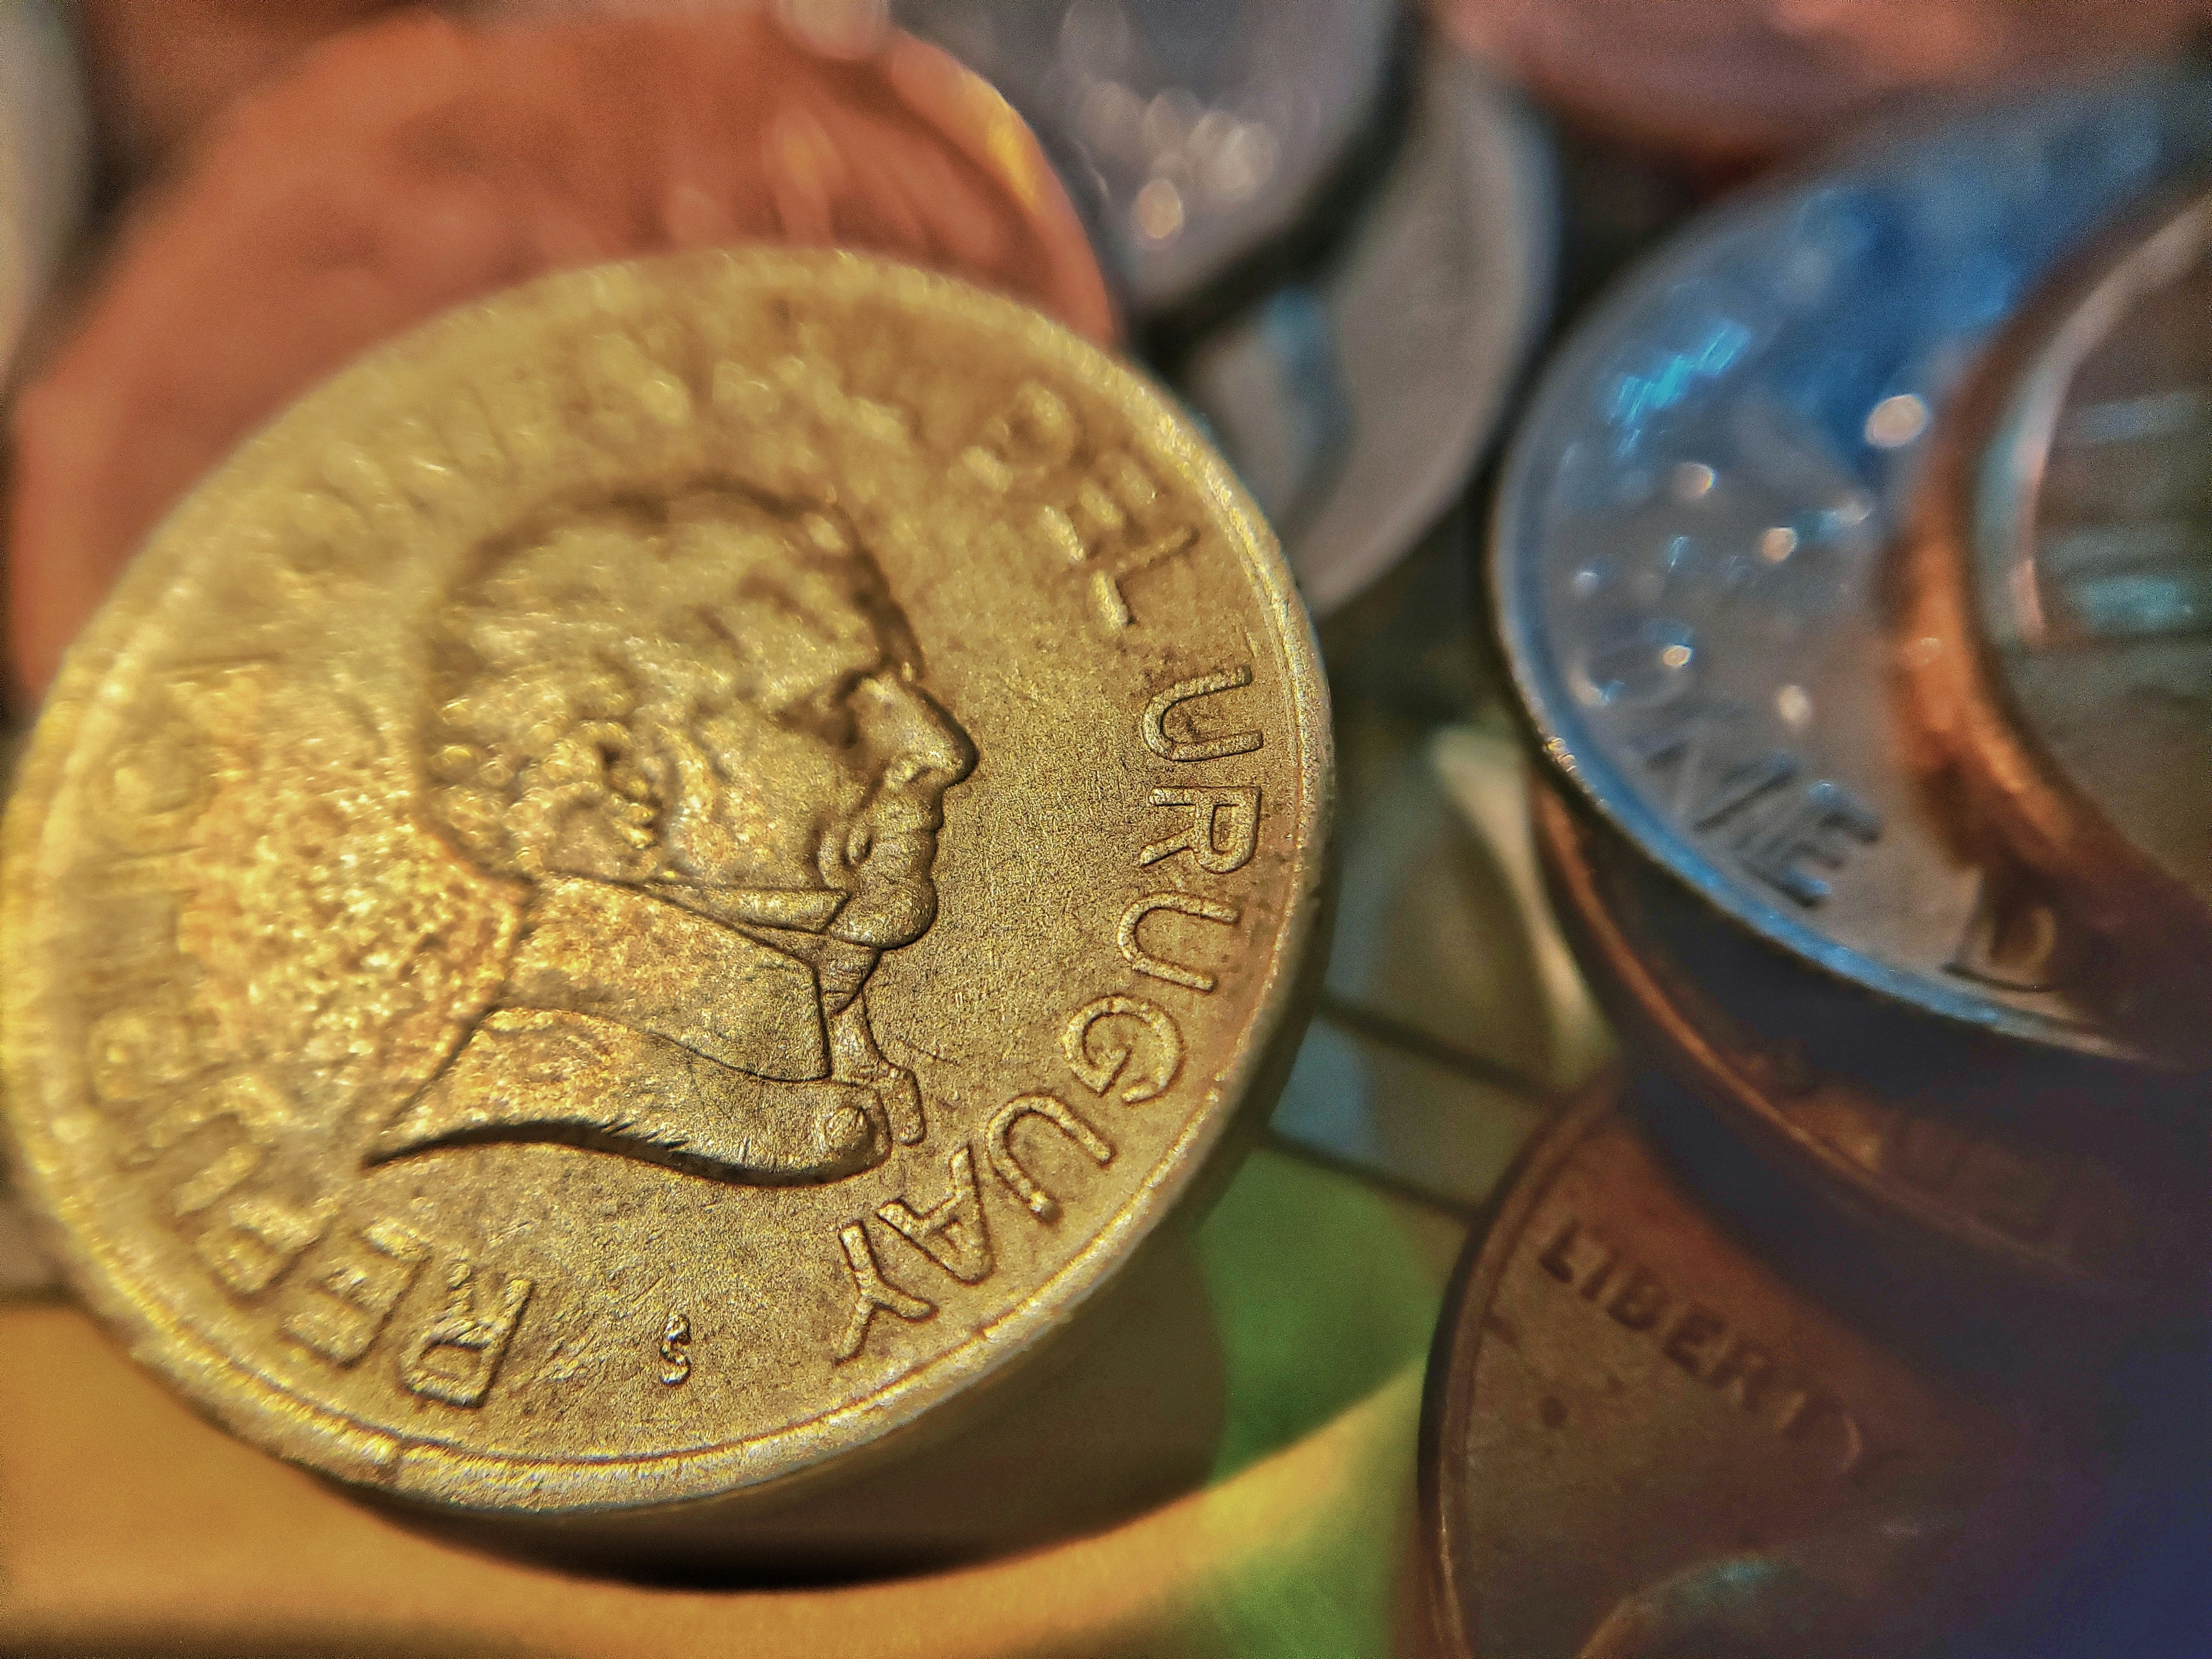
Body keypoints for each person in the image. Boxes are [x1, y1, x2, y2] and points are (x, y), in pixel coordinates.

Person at [373, 486, 975, 1184]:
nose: (943, 751)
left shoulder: (809, 1057)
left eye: (901, 690)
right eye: (832, 707)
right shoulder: (518, 1134)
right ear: (622, 775)